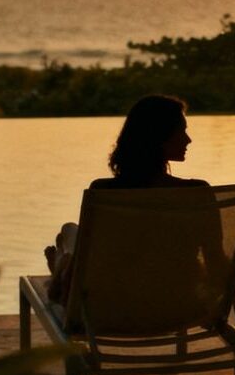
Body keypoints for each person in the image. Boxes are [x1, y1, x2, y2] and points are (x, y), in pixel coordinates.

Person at [45, 94, 208, 302]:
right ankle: (62, 261)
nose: (188, 139)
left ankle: (61, 264)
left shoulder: (104, 192)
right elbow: (217, 262)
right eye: (181, 131)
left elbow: (91, 265)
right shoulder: (197, 192)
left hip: (112, 307)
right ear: (159, 136)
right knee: (70, 232)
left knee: (69, 232)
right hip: (178, 305)